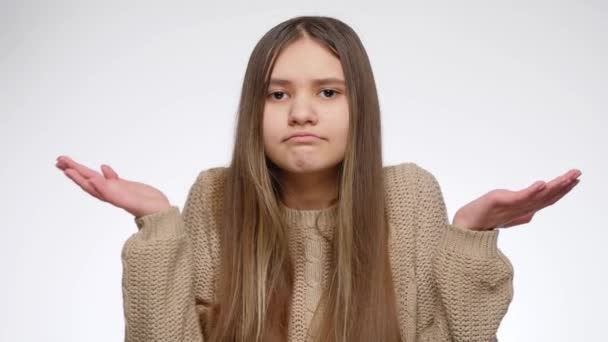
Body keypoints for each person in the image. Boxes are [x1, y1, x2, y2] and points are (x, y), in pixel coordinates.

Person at [56, 15, 582, 342]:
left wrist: (469, 236)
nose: (301, 113)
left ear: (361, 106)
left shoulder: (408, 195)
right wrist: (157, 225)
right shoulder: (215, 197)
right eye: (277, 94)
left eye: (328, 92)